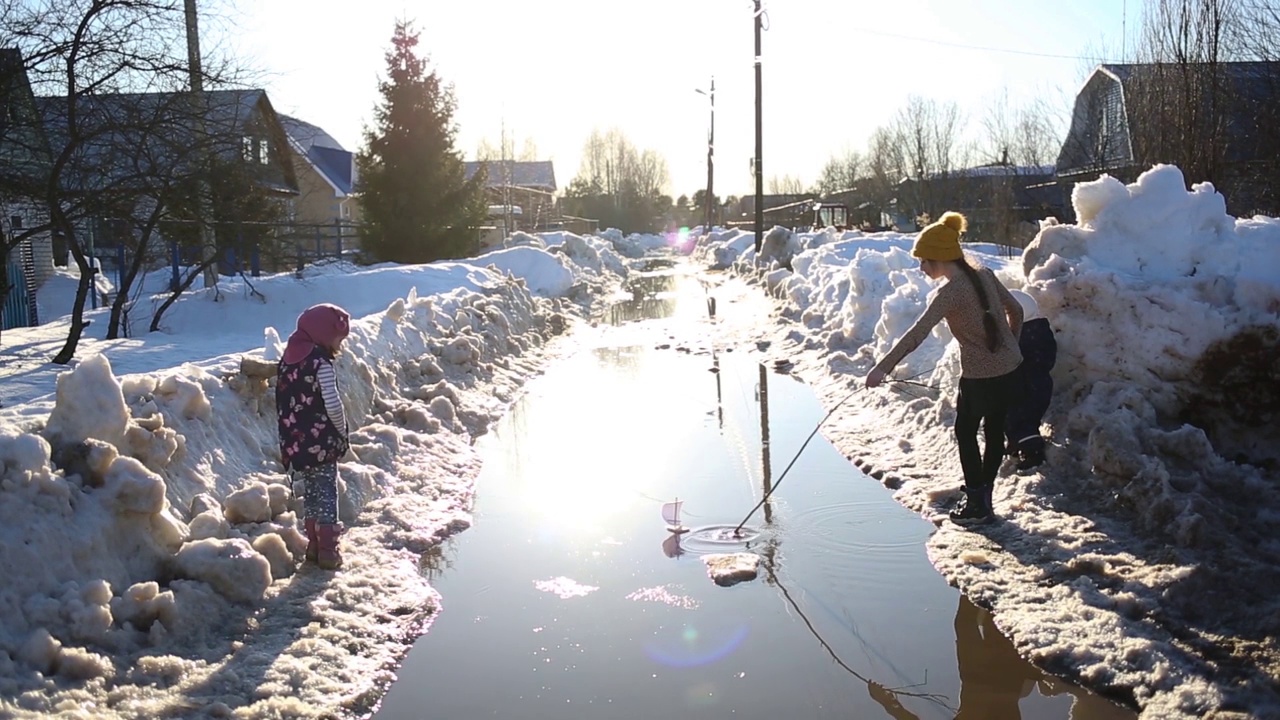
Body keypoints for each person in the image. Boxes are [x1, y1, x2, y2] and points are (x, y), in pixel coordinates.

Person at [866, 212, 1023, 525]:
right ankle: (984, 496)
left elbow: (917, 333)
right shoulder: (986, 275)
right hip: (1010, 370)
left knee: (965, 431)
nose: (922, 268)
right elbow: (1016, 310)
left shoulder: (949, 293)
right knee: (993, 431)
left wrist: (882, 368)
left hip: (980, 378)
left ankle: (977, 503)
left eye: (924, 261)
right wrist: (1011, 346)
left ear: (939, 258)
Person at [277, 303, 351, 569]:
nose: (338, 345)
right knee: (327, 490)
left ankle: (313, 546)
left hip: (296, 440)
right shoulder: (321, 364)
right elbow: (332, 404)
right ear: (322, 335)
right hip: (322, 441)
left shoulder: (288, 361)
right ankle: (329, 551)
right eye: (337, 339)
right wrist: (342, 431)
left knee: (311, 490)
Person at [1004, 290, 1057, 473]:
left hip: (1026, 387)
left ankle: (1033, 454)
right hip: (1037, 385)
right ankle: (1018, 445)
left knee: (1020, 420)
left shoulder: (1023, 336)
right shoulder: (1039, 330)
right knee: (1020, 419)